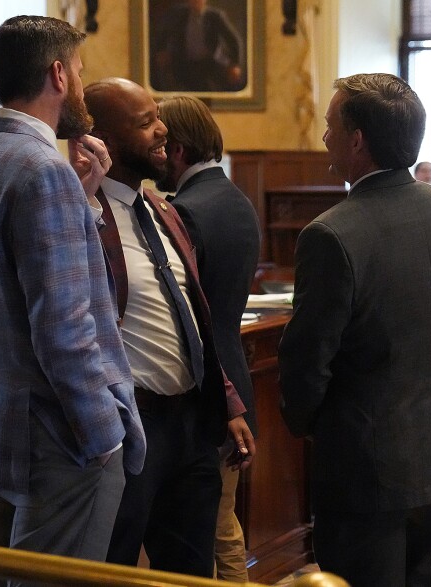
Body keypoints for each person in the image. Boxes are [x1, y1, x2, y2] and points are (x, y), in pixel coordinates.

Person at [0, 15, 146, 576]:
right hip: (60, 439)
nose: (82, 85)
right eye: (80, 71)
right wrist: (105, 434)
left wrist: (82, 199)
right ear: (58, 74)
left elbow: (7, 281)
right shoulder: (40, 169)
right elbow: (63, 329)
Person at [278, 73, 431, 587]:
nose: (324, 138)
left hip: (367, 468)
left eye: (329, 126)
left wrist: (308, 423)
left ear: (357, 139)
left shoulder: (331, 234)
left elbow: (307, 360)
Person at [83, 77, 255, 578]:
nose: (162, 131)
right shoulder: (84, 215)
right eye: (145, 123)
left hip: (192, 424)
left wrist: (227, 401)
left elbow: (192, 315)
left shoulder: (162, 209)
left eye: (157, 116)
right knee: (115, 568)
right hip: (132, 426)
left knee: (191, 569)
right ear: (103, 140)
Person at [157, 95, 261, 582]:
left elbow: (190, 320)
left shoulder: (185, 213)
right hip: (234, 372)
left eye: (159, 142)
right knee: (223, 524)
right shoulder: (236, 199)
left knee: (214, 531)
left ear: (175, 151)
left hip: (211, 390)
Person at [152, 0, 244, 92]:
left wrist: (235, 64)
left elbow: (233, 40)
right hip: (183, 63)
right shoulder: (177, 14)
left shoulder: (215, 16)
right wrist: (161, 50)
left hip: (210, 63)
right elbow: (162, 33)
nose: (196, 2)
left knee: (227, 88)